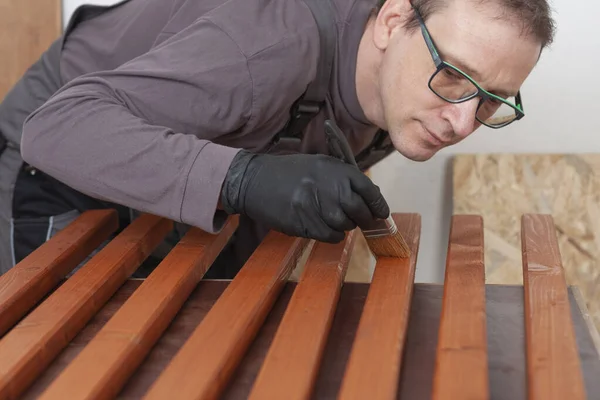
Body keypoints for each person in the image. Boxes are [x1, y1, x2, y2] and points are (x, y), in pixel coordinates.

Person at [0, 0, 555, 277]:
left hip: (170, 175)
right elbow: (55, 129)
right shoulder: (268, 47)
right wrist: (242, 178)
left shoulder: (402, 90)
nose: (462, 123)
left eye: (490, 100)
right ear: (392, 21)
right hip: (57, 165)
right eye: (453, 74)